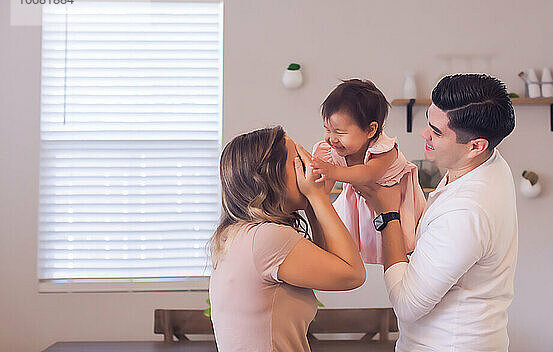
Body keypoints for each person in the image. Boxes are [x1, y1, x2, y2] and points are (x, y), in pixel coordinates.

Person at [356, 73, 518, 352]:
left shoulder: (466, 212)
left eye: (437, 132)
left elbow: (407, 305)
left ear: (475, 146)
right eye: (428, 123)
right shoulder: (489, 163)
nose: (424, 134)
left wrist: (388, 214)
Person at [209, 126, 365, 352]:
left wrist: (315, 199)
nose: (308, 167)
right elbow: (352, 275)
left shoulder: (237, 236)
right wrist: (318, 196)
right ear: (271, 176)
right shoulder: (266, 239)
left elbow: (332, 264)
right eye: (297, 162)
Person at [311, 79, 426, 264]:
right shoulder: (334, 151)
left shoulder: (384, 149)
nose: (331, 138)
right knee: (350, 237)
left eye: (339, 132)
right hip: (362, 202)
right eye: (327, 129)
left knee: (399, 244)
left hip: (397, 201)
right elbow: (325, 188)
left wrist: (332, 171)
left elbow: (368, 175)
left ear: (370, 130)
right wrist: (319, 180)